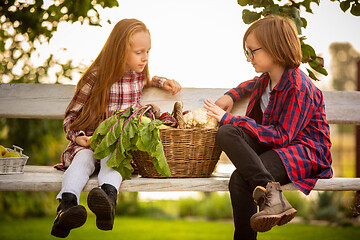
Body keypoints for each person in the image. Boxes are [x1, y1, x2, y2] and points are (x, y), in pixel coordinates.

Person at [204, 15, 332, 240]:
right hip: (276, 147)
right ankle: (275, 199)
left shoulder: (299, 87)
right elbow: (251, 84)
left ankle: (272, 200)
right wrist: (231, 95)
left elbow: (283, 136)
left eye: (252, 51)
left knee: (239, 179)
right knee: (226, 132)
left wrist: (230, 117)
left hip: (303, 152)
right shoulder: (266, 79)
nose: (248, 58)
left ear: (275, 48)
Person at [51, 18, 181, 238]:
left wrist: (163, 82)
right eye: (139, 52)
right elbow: (71, 116)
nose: (145, 57)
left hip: (118, 145)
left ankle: (107, 200)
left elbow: (148, 79)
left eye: (148, 51)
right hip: (90, 141)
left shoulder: (138, 74)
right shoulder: (95, 77)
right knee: (82, 160)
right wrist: (78, 137)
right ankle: (67, 206)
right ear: (120, 50)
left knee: (114, 157)